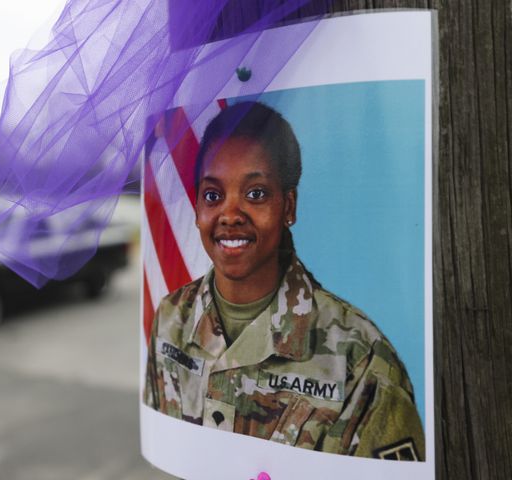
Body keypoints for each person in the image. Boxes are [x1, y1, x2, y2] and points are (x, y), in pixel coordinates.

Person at [144, 101, 425, 460]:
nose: (229, 215)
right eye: (212, 195)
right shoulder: (170, 318)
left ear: (288, 206)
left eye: (255, 193)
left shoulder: (361, 360)